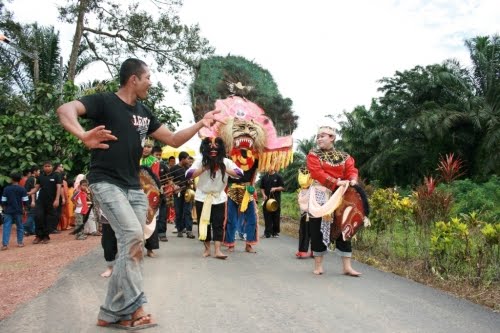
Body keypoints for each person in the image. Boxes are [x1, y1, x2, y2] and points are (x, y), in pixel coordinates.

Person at [57, 58, 223, 330]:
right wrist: (83, 135)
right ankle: (137, 310)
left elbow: (173, 140)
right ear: (133, 79)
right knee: (133, 237)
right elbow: (65, 109)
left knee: (134, 246)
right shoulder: (104, 102)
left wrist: (200, 123)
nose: (151, 82)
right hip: (106, 182)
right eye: (148, 77)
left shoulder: (145, 112)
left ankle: (109, 313)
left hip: (133, 186)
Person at [305, 124, 361, 276]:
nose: (319, 139)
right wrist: (336, 182)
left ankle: (347, 266)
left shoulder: (345, 156)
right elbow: (317, 173)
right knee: (317, 229)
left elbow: (351, 171)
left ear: (332, 138)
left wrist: (353, 180)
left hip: (341, 195)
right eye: (317, 136)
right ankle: (318, 266)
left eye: (322, 135)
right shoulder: (313, 155)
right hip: (320, 194)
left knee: (344, 227)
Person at [186, 137, 243, 259]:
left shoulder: (226, 161)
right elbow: (188, 175)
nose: (213, 149)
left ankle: (217, 250)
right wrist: (205, 167)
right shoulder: (200, 161)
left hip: (219, 197)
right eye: (210, 146)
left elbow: (239, 173)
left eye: (217, 145)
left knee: (218, 223)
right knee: (204, 223)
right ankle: (207, 249)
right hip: (202, 197)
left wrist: (222, 167)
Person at [28, 161, 62, 244]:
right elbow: (36, 188)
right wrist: (29, 193)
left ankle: (46, 236)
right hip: (41, 201)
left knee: (49, 219)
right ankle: (39, 236)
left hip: (51, 201)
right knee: (38, 217)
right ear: (43, 167)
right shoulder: (40, 176)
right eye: (45, 166)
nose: (47, 167)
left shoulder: (56, 175)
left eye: (49, 166)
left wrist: (57, 199)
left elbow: (59, 188)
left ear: (52, 167)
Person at [168, 151, 195, 239]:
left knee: (187, 211)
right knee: (178, 212)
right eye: (187, 158)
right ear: (182, 159)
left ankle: (189, 231)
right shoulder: (174, 168)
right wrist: (174, 186)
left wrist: (191, 182)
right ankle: (179, 230)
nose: (188, 160)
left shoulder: (189, 168)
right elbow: (169, 179)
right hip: (178, 192)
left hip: (187, 192)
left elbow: (191, 179)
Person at [1, 172, 29, 250]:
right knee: (20, 226)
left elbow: (3, 201)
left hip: (8, 211)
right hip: (18, 210)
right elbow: (25, 201)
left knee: (6, 226)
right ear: (19, 180)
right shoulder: (22, 189)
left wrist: (4, 208)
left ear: (11, 179)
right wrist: (25, 209)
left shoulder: (6, 189)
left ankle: (5, 244)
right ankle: (20, 242)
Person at [259, 170, 285, 238]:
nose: (269, 168)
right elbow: (262, 188)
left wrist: (275, 188)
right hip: (266, 200)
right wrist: (263, 195)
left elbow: (282, 187)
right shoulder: (264, 177)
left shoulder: (278, 176)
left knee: (276, 216)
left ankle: (275, 232)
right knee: (267, 216)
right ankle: (267, 232)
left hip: (275, 200)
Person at [152, 146, 170, 242]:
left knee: (162, 214)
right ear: (152, 155)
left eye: (159, 155)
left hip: (162, 193)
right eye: (156, 155)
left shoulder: (163, 166)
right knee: (153, 214)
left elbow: (169, 179)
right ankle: (152, 235)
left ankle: (162, 233)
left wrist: (166, 186)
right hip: (150, 194)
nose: (158, 156)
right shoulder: (148, 164)